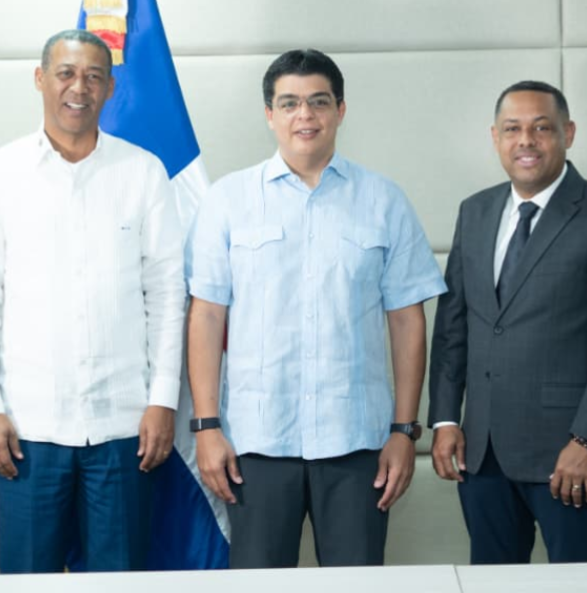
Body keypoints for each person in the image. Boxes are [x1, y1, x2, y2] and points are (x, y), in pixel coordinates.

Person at [185, 48, 446, 568]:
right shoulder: (228, 201)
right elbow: (207, 316)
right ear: (270, 114)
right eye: (289, 103)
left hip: (357, 443)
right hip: (255, 442)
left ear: (340, 110)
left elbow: (407, 321)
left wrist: (404, 431)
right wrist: (207, 427)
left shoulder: (384, 200)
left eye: (319, 101)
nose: (304, 115)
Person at [0, 29, 184, 573]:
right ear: (40, 79)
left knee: (120, 579)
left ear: (110, 88)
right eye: (65, 74)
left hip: (124, 426)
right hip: (27, 429)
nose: (78, 88)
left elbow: (167, 295)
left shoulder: (143, 172)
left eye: (93, 76)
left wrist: (163, 400)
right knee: (28, 578)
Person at [427, 81, 587, 564]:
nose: (526, 140)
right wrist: (445, 418)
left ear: (568, 133)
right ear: (495, 137)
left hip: (568, 454)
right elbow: (453, 327)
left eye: (542, 128)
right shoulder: (475, 211)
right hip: (481, 455)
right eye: (512, 129)